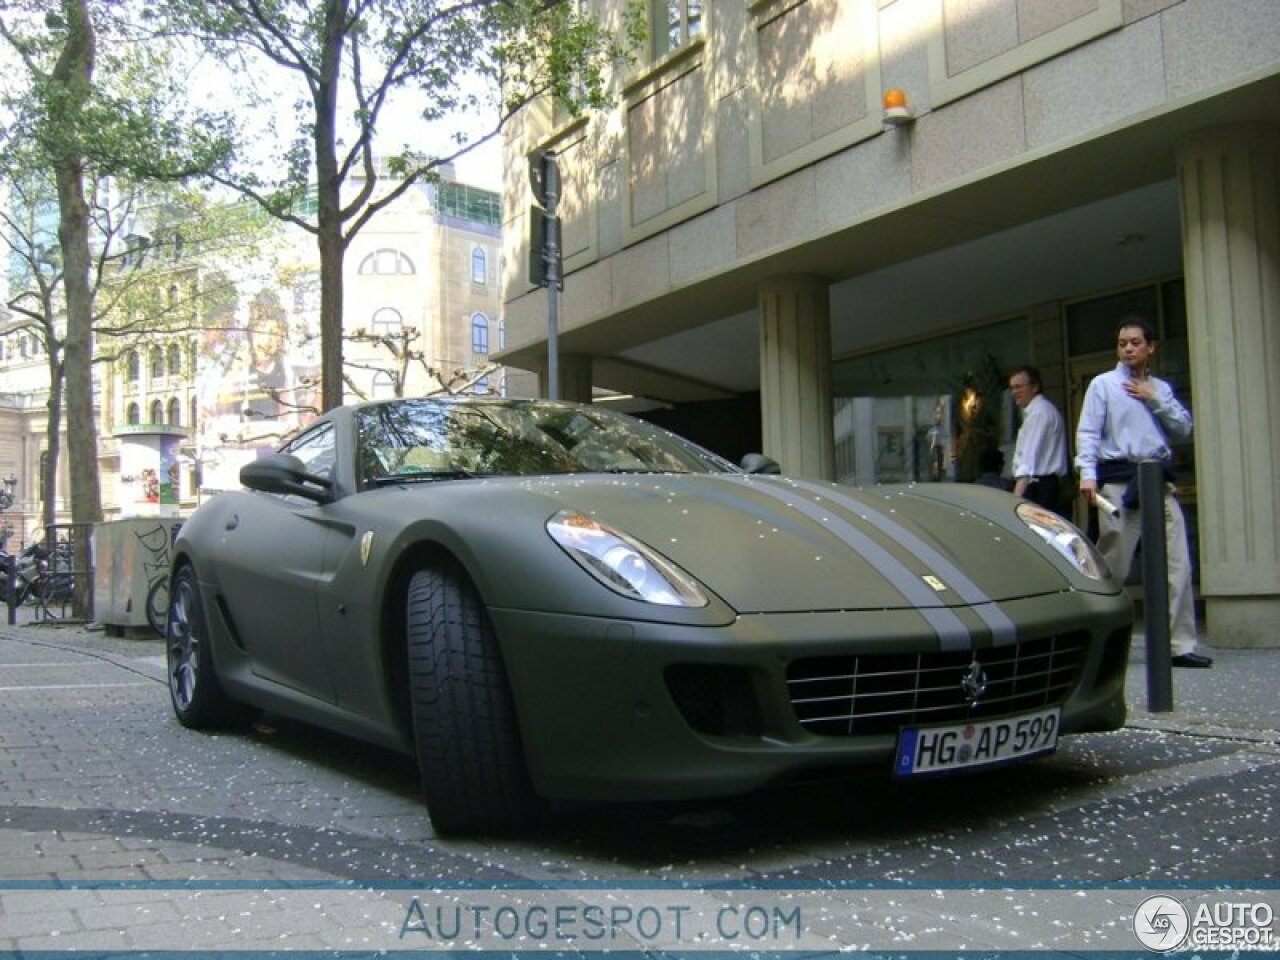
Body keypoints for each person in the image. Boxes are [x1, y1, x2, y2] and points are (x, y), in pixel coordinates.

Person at [1075, 316, 1211, 668]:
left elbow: (1183, 429)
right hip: (1120, 483)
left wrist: (1154, 399)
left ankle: (1179, 645)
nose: (1128, 348)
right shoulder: (1102, 385)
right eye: (1122, 343)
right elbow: (1088, 431)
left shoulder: (1161, 389)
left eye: (1135, 342)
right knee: (1112, 564)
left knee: (1177, 564)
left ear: (1150, 347)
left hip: (1159, 483)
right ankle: (1098, 641)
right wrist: (1087, 475)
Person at [1008, 365, 1069, 515]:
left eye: (1019, 387)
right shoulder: (1040, 411)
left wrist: (1014, 501)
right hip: (1042, 486)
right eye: (1012, 388)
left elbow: (1028, 460)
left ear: (1035, 387)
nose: (1014, 392)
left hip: (1038, 487)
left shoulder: (1039, 413)